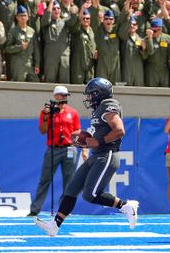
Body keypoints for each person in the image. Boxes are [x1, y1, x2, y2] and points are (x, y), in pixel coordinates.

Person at [35, 77, 139, 236]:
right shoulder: (99, 109)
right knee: (71, 188)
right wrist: (84, 140)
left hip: (107, 154)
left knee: (91, 195)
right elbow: (97, 132)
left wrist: (98, 140)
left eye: (91, 94)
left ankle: (126, 206)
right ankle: (54, 225)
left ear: (99, 93)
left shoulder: (108, 106)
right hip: (97, 154)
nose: (89, 98)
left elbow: (119, 130)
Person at [27, 85, 84, 217]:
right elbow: (42, 130)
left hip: (69, 148)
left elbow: (77, 131)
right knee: (45, 179)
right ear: (55, 96)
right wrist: (47, 115)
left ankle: (64, 210)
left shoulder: (73, 112)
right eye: (62, 95)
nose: (64, 98)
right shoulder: (47, 111)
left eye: (65, 95)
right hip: (53, 149)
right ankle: (35, 209)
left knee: (69, 180)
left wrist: (82, 148)